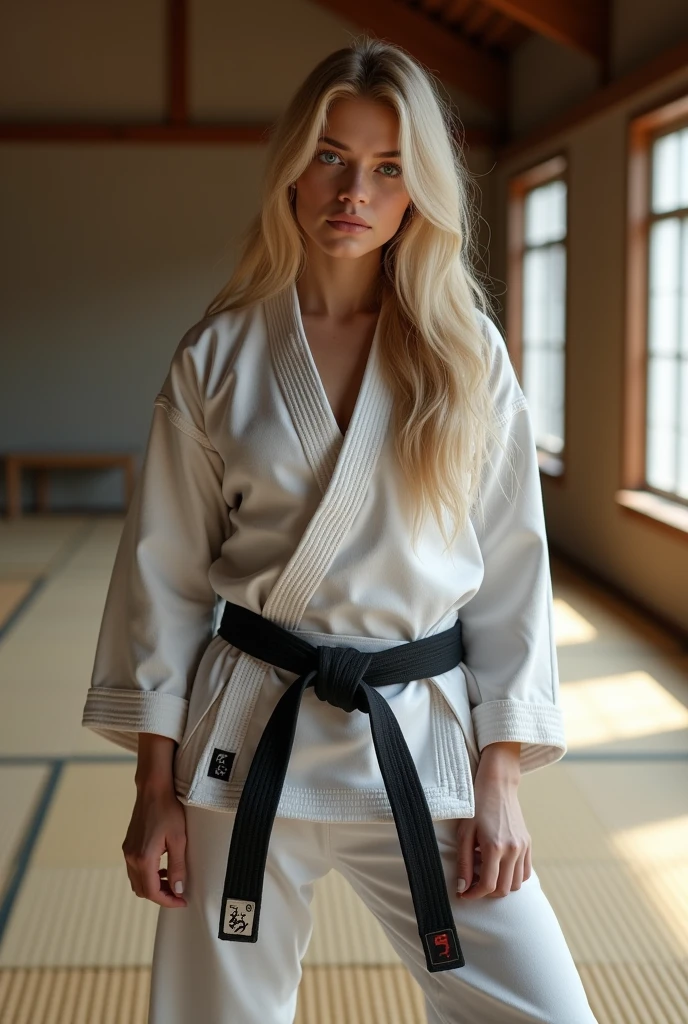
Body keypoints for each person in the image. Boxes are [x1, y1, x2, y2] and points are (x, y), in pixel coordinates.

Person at [81, 35, 598, 1024]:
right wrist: (156, 788)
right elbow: (164, 580)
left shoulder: (462, 355)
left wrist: (501, 774)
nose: (353, 190)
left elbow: (510, 576)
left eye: (389, 167)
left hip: (418, 739)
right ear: (291, 166)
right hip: (244, 743)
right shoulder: (220, 353)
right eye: (330, 155)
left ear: (420, 191)